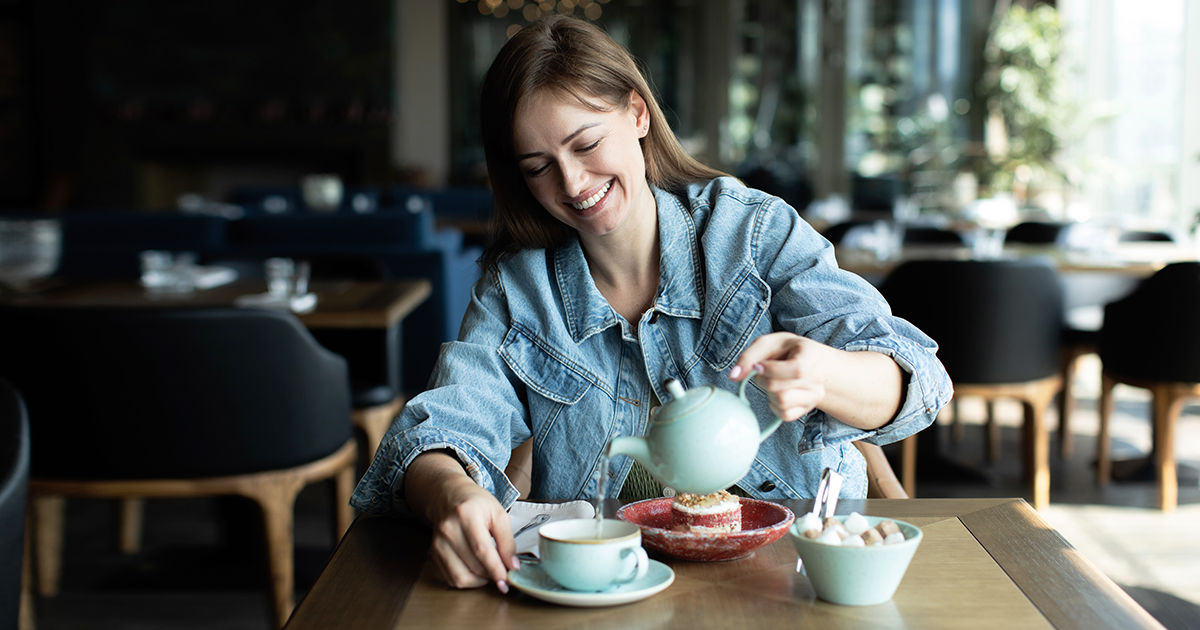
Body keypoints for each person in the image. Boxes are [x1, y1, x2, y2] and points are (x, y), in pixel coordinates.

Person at [351, 15, 951, 594]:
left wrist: (826, 374)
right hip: (612, 595)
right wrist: (454, 495)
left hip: (793, 582)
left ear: (637, 113)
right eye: (538, 168)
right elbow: (444, 425)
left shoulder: (751, 234)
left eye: (586, 144)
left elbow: (918, 379)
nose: (573, 183)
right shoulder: (516, 290)